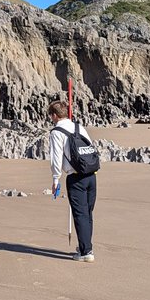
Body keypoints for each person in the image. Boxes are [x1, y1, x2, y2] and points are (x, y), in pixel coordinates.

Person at [48, 99, 97, 261]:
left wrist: (56, 179)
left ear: (54, 115)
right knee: (87, 213)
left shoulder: (56, 133)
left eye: (51, 116)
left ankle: (86, 252)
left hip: (76, 178)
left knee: (80, 214)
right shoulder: (78, 127)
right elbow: (90, 147)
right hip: (91, 175)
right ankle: (86, 245)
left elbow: (56, 159)